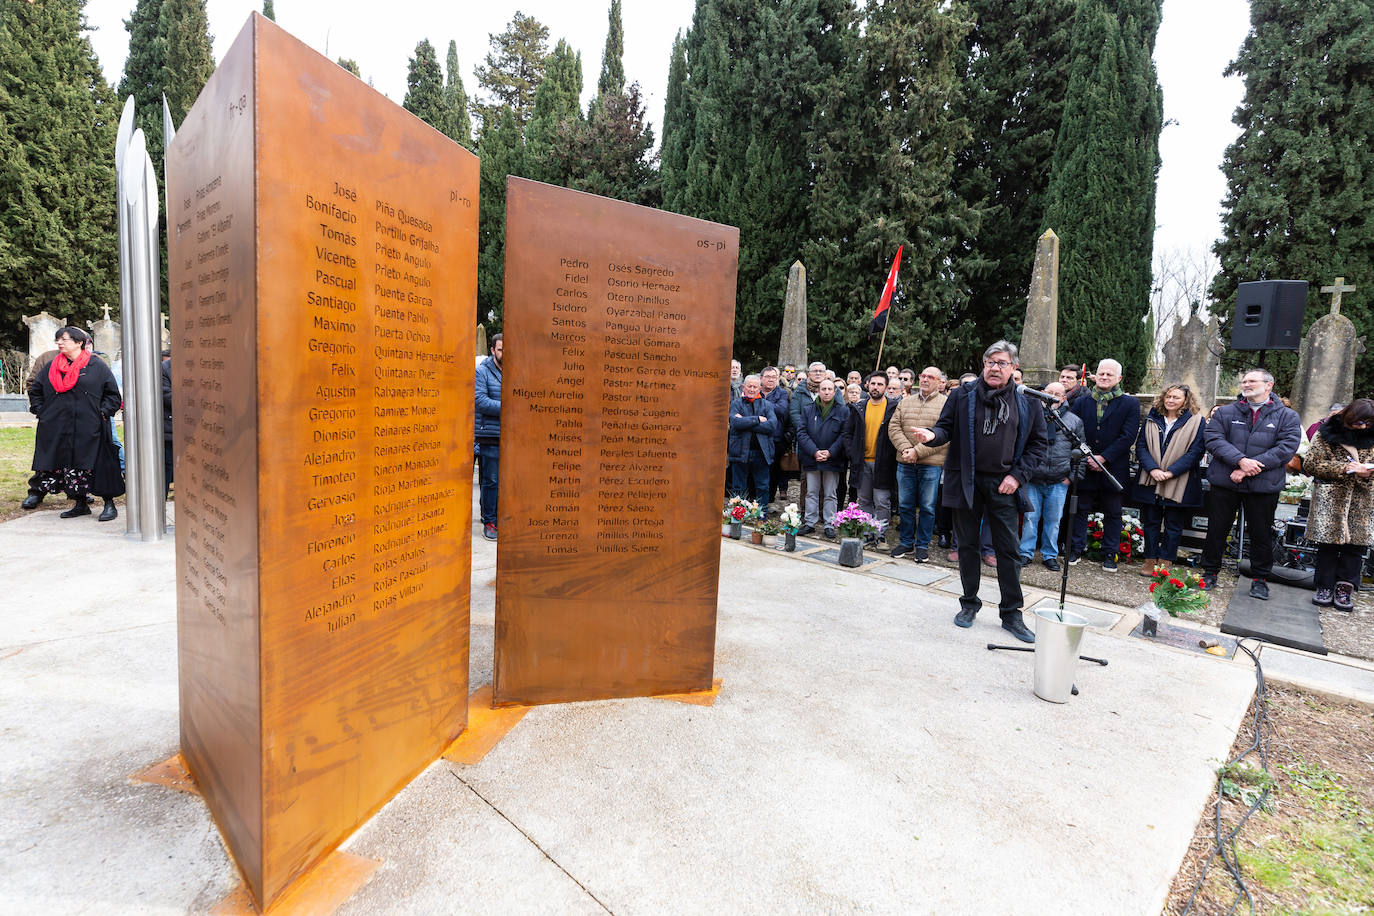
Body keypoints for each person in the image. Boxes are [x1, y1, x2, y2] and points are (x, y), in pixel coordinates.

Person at [910, 341, 1047, 642]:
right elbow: (945, 428)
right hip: (967, 481)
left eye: (1002, 363)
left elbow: (1038, 444)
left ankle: (1011, 613)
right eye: (990, 362)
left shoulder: (1027, 401)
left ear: (1013, 368)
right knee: (968, 547)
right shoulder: (962, 395)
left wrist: (1018, 476)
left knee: (1008, 551)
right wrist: (931, 435)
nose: (995, 368)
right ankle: (969, 604)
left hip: (1004, 484)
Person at [1199, 369, 1302, 599]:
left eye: (1252, 381)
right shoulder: (1225, 412)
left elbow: (1286, 448)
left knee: (1261, 533)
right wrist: (1240, 461)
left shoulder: (1287, 416)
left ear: (1269, 385)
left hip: (1263, 485)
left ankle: (1260, 579)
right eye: (1244, 381)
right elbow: (1213, 439)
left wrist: (1248, 468)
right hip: (1226, 482)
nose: (1246, 384)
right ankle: (1209, 572)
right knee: (1217, 529)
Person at [27, 327, 123, 520]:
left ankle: (109, 504)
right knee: (70, 465)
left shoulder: (96, 365)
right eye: (58, 340)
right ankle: (80, 503)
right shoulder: (52, 366)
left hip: (91, 425)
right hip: (60, 426)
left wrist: (103, 412)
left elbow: (112, 394)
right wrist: (42, 411)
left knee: (98, 463)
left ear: (79, 342)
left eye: (64, 339)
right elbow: (35, 390)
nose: (60, 343)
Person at [1068, 359, 1140, 572]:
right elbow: (1074, 432)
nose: (1105, 377)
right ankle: (1076, 548)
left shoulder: (1130, 404)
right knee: (1080, 509)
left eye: (1110, 374)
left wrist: (1104, 457)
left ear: (1118, 378)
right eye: (1101, 374)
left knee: (1113, 512)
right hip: (1085, 464)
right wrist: (1088, 456)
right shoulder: (1082, 402)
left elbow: (1128, 436)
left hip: (1114, 467)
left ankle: (1110, 553)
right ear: (1095, 375)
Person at [1303, 399, 1374, 610]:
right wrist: (1344, 468)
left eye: (1368, 423)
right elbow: (1311, 463)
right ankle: (1324, 586)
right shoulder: (1327, 432)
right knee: (1328, 545)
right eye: (1359, 422)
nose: (1362, 427)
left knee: (1356, 547)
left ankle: (1345, 588)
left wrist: (1366, 472)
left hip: (1364, 499)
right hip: (1332, 497)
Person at [1133, 384, 1207, 576]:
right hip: (1151, 477)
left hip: (1180, 481)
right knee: (1150, 522)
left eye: (1176, 397)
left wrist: (1172, 472)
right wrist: (1153, 469)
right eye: (1168, 396)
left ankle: (1166, 561)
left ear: (1186, 400)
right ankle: (1150, 559)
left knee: (1174, 524)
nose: (1170, 400)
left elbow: (1196, 451)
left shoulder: (1196, 421)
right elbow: (1141, 446)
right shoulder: (1152, 417)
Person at [1018, 382, 1083, 571]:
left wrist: (1071, 477)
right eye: (1049, 393)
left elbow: (1080, 451)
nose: (1053, 396)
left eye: (1057, 394)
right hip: (1033, 478)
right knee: (1031, 518)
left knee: (1054, 520)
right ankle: (1026, 552)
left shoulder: (1073, 421)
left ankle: (1049, 555)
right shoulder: (1031, 416)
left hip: (1059, 479)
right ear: (1042, 394)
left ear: (1064, 398)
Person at [888, 367, 947, 560]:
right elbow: (894, 427)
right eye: (923, 376)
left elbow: (945, 436)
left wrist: (917, 451)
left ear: (939, 382)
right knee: (905, 505)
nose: (925, 379)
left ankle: (922, 545)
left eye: (931, 377)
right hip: (905, 462)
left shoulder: (946, 404)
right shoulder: (906, 402)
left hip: (931, 463)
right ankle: (906, 543)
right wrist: (906, 449)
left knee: (928, 507)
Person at [848, 372, 898, 540]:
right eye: (873, 384)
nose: (876, 387)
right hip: (862, 462)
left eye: (880, 384)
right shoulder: (859, 407)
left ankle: (880, 533)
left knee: (882, 501)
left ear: (886, 387)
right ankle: (867, 531)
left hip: (883, 463)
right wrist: (853, 453)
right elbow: (848, 433)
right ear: (867, 385)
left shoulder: (893, 408)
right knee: (864, 500)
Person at [797, 378, 848, 536]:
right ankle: (810, 522)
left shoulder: (843, 410)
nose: (826, 392)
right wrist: (814, 451)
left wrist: (830, 452)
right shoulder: (808, 409)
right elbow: (801, 432)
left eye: (829, 389)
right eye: (823, 389)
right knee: (811, 492)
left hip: (832, 459)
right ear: (818, 391)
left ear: (834, 392)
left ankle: (829, 524)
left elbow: (844, 435)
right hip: (812, 457)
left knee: (830, 493)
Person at [728, 374, 777, 502]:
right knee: (739, 486)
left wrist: (746, 423)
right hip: (740, 451)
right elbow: (735, 423)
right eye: (749, 386)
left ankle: (761, 516)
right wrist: (757, 420)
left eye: (755, 386)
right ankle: (737, 516)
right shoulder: (736, 403)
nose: (752, 389)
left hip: (762, 452)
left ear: (759, 388)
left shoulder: (767, 405)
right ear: (743, 387)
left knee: (762, 486)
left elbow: (772, 425)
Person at [20, 347, 58, 510]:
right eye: (61, 339)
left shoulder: (91, 361)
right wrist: (40, 408)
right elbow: (32, 383)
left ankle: (79, 493)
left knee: (78, 455)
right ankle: (37, 491)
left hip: (79, 418)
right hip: (52, 415)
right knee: (46, 454)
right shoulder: (47, 358)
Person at [475, 333, 503, 541]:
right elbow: (480, 401)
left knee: (504, 480)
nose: (505, 353)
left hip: (511, 435)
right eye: (501, 349)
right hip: (489, 433)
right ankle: (489, 521)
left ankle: (499, 517)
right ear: (493, 350)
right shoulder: (482, 372)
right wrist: (509, 406)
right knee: (491, 480)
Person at [759, 366, 791, 508]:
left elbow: (782, 410)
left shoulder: (782, 393)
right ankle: (754, 500)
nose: (771, 379)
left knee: (772, 470)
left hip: (775, 438)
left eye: (774, 377)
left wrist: (758, 403)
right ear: (761, 378)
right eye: (768, 377)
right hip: (756, 437)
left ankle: (769, 500)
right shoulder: (756, 390)